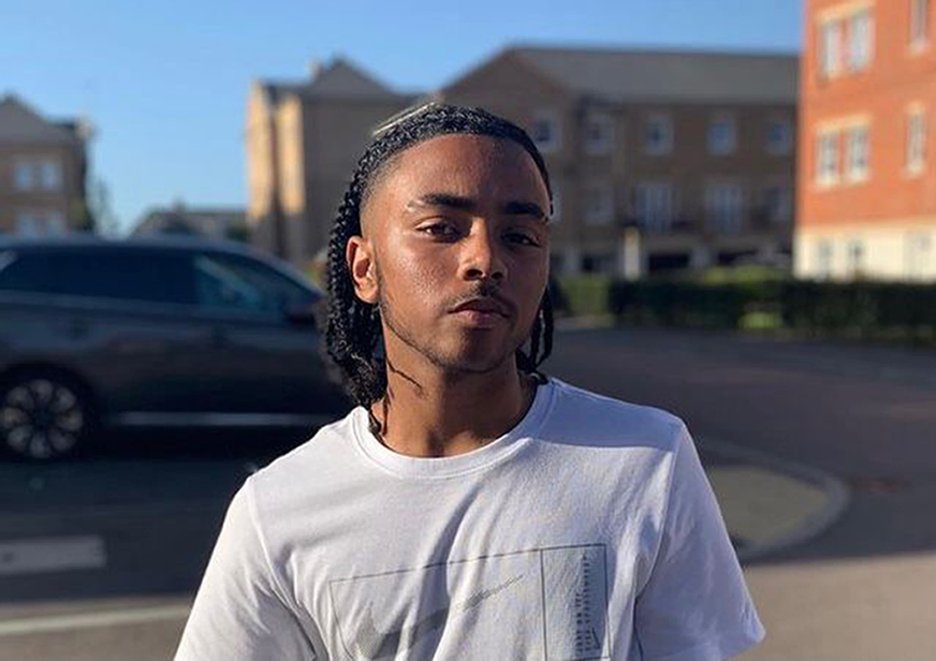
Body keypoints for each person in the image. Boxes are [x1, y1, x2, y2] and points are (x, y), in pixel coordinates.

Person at [175, 104, 764, 660]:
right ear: (364, 268)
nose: (486, 259)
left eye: (520, 236)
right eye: (441, 228)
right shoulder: (278, 510)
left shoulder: (648, 460)